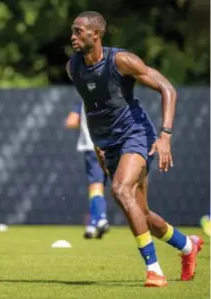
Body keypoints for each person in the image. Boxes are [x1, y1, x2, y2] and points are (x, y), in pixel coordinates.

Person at [66, 11, 203, 287]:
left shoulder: (121, 60)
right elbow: (93, 110)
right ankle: (188, 245)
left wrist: (165, 135)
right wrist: (97, 147)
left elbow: (168, 89)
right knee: (141, 213)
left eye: (79, 31)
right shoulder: (74, 67)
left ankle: (154, 270)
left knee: (120, 190)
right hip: (107, 144)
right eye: (73, 31)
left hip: (136, 134)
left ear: (96, 34)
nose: (73, 36)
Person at [66, 100, 109, 239]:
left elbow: (71, 121)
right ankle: (92, 224)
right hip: (113, 147)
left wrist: (85, 123)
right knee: (100, 188)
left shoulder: (84, 99)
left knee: (95, 187)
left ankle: (101, 219)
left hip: (93, 148)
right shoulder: (113, 97)